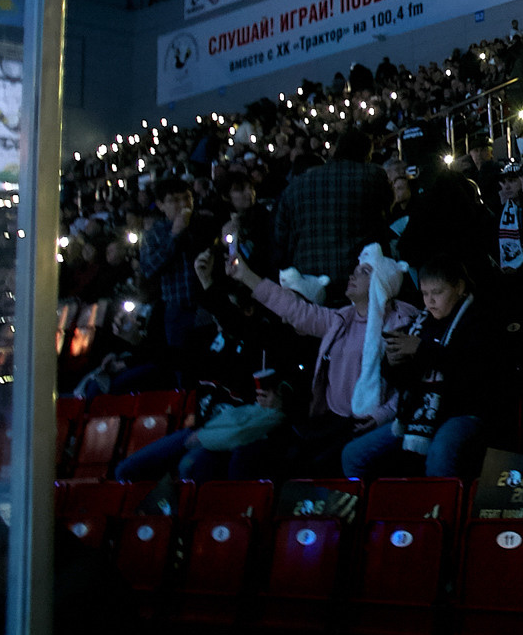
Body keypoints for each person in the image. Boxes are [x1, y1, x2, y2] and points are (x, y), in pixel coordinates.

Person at [229, 246, 419, 474]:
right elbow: (295, 309)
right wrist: (247, 277)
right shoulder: (340, 319)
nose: (353, 275)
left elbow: (410, 385)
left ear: (383, 283)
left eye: (364, 272)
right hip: (332, 421)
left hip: (369, 423)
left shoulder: (400, 323)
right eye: (356, 270)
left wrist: (382, 415)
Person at [343, 259, 503, 479]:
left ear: (459, 287)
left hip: (465, 412)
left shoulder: (479, 320)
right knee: (352, 455)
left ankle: (440, 510)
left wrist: (421, 350)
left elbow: (473, 374)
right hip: (418, 414)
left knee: (441, 451)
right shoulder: (421, 322)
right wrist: (393, 362)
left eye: (437, 292)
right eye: (425, 293)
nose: (430, 301)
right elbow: (404, 381)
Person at [112, 378, 295, 483]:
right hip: (199, 430)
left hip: (221, 443)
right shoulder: (204, 340)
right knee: (124, 471)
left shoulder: (263, 385)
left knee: (188, 467)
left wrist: (203, 437)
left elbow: (240, 432)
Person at [273, 128, 394, 281]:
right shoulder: (372, 175)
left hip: (307, 279)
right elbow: (388, 210)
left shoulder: (296, 186)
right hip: (357, 276)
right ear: (366, 153)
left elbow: (280, 238)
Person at [136, 177, 212, 351]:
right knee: (182, 362)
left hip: (208, 305)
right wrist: (174, 235)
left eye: (186, 197)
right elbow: (149, 268)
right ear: (161, 205)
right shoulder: (154, 233)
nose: (183, 204)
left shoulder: (204, 222)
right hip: (178, 308)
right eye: (174, 200)